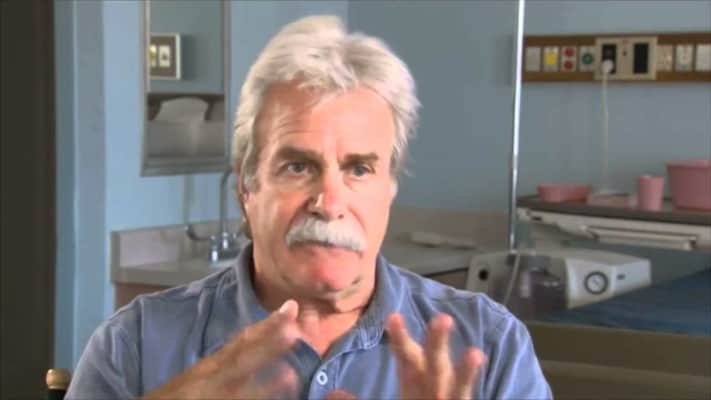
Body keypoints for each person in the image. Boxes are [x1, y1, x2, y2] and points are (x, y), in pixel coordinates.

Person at [66, 15, 551, 399]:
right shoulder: (134, 345)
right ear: (247, 187)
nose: (329, 203)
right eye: (298, 167)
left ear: (390, 187)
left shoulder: (490, 344)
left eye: (359, 169)